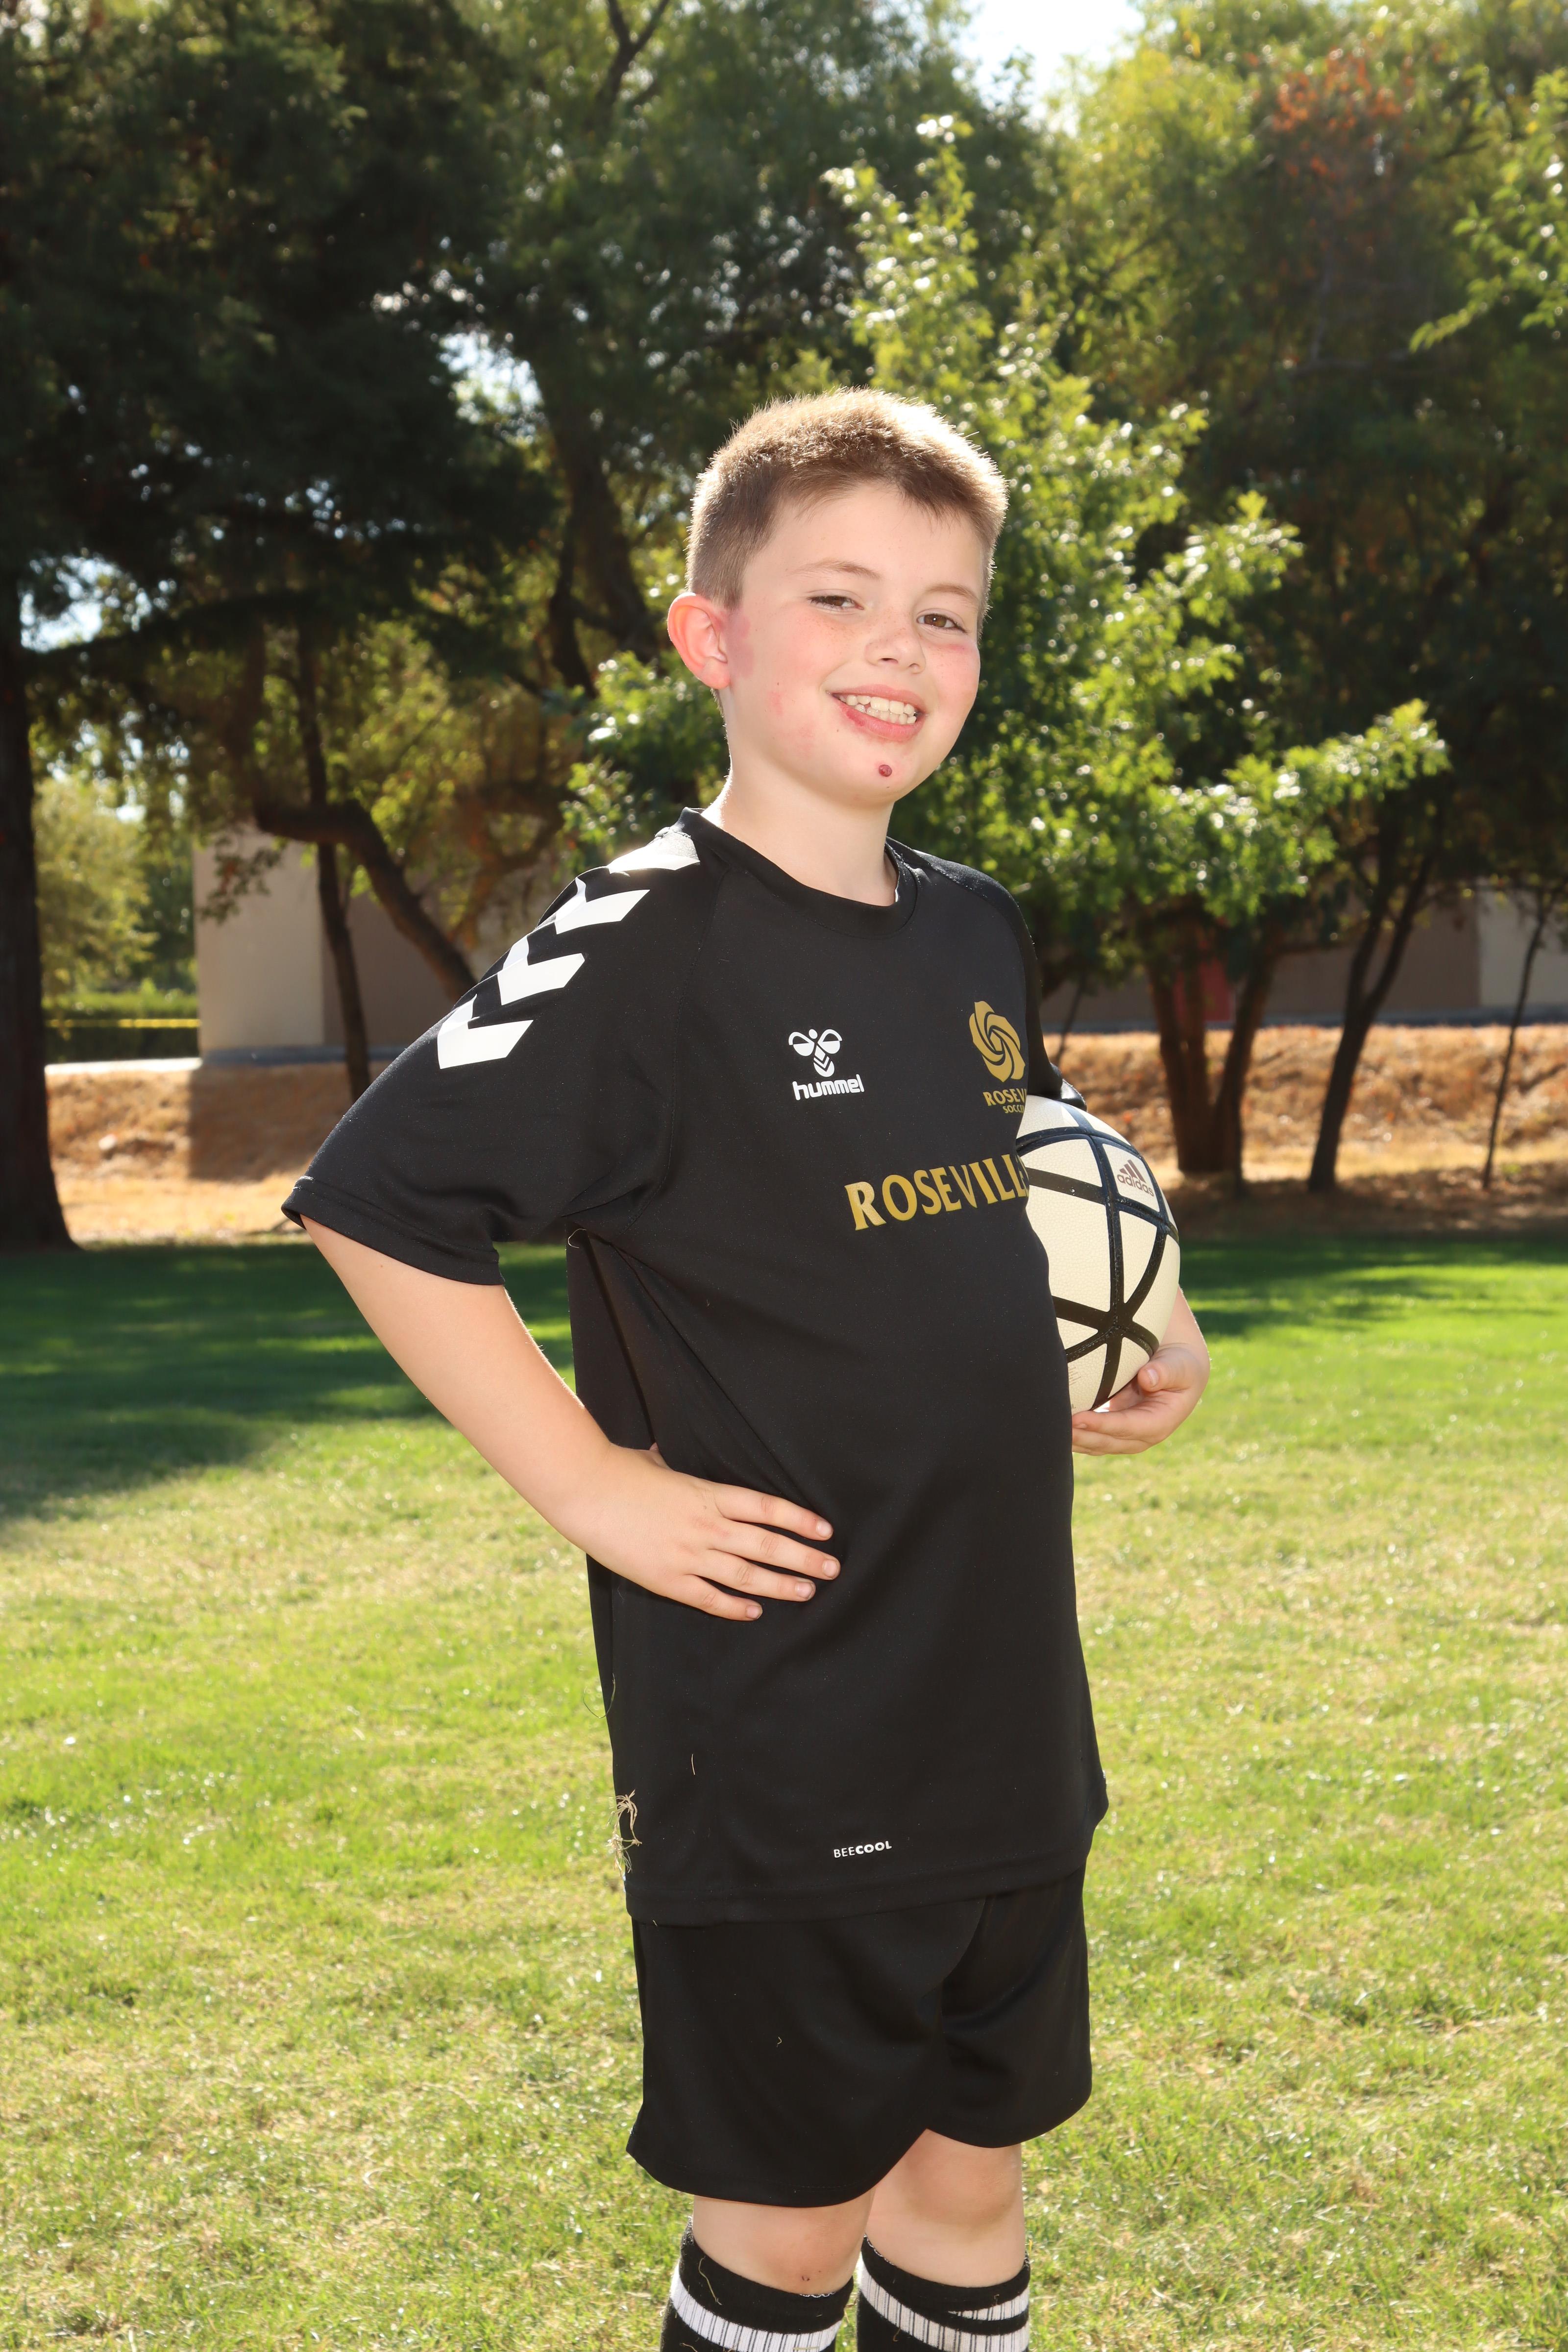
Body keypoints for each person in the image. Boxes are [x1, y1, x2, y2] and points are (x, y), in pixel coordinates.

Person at [284, 389, 1210, 2352]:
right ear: (711, 635)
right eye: (840, 599)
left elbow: (1031, 1158)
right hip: (787, 1728)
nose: (899, 648)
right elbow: (375, 1197)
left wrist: (1142, 1313)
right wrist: (591, 1487)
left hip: (998, 1708)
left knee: (966, 2191)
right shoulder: (647, 938)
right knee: (786, 2231)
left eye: (945, 614)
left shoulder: (969, 928)